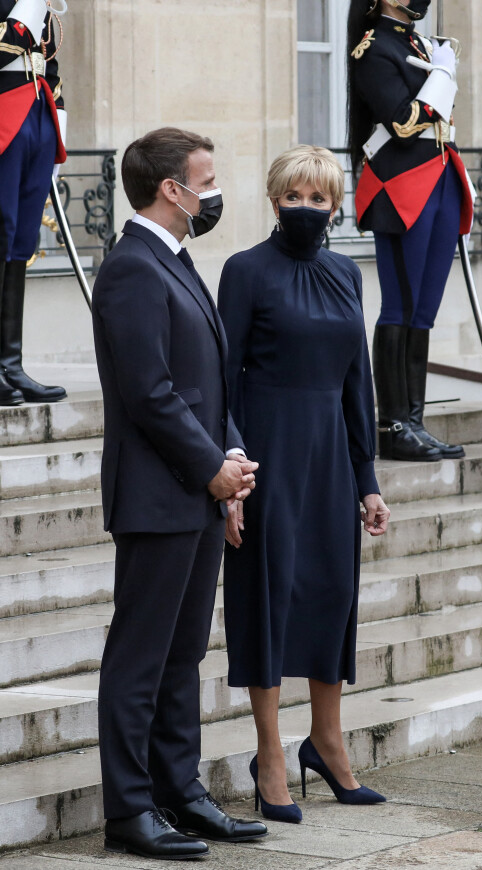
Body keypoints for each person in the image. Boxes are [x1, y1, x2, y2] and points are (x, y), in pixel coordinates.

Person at [92, 127, 267, 860]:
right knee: (141, 658)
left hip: (195, 490)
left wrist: (228, 458)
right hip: (158, 494)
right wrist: (210, 468)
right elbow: (150, 393)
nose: (214, 189)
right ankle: (130, 810)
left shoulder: (178, 261)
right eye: (207, 177)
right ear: (172, 188)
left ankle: (181, 793)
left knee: (182, 655)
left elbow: (208, 381)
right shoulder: (132, 267)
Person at [217, 145, 391, 824]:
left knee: (331, 594)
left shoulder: (348, 273)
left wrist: (368, 479)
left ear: (336, 205)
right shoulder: (244, 271)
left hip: (329, 461)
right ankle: (267, 757)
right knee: (266, 597)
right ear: (273, 199)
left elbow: (358, 383)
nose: (307, 209)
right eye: (295, 196)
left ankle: (326, 741)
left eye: (319, 199)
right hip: (266, 456)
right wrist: (231, 475)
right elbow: (220, 380)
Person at [347, 0, 474, 461]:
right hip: (400, 185)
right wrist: (441, 77)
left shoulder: (420, 43)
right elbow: (402, 123)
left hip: (440, 178)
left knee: (424, 308)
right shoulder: (373, 48)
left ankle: (416, 422)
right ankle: (393, 425)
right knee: (400, 304)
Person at [0, 0, 68, 405]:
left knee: (21, 240)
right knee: (0, 231)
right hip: (4, 117)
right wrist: (26, 10)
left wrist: (59, 125)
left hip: (36, 117)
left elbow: (51, 70)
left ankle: (10, 364)